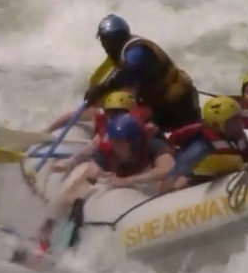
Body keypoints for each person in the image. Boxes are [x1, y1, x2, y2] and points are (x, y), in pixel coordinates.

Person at [35, 114, 175, 248]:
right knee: (82, 177)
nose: (114, 145)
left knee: (172, 183)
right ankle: (46, 229)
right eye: (113, 140)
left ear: (134, 143)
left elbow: (167, 167)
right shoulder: (107, 146)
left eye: (119, 143)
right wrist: (70, 164)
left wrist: (128, 180)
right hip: (112, 179)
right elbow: (88, 156)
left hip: (143, 181)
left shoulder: (153, 144)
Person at [66, 14, 201, 132]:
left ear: (117, 38)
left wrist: (102, 89)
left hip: (176, 103)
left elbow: (128, 69)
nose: (104, 46)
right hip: (164, 101)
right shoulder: (123, 51)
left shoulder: (136, 50)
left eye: (105, 41)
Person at [161, 96, 248, 191]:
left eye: (238, 119)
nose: (239, 125)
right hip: (197, 185)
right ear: (215, 126)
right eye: (232, 122)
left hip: (222, 179)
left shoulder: (237, 136)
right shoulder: (200, 147)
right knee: (182, 182)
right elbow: (172, 177)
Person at [52, 90, 154, 173]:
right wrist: (49, 130)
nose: (114, 116)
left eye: (120, 112)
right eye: (111, 112)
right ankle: (71, 162)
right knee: (98, 143)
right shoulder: (99, 117)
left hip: (133, 164)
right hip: (108, 158)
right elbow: (71, 117)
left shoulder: (142, 127)